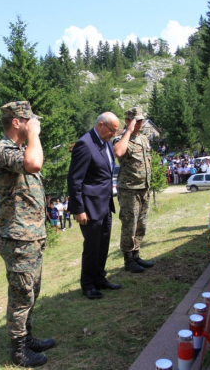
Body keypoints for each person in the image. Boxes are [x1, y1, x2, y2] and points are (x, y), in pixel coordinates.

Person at [0, 101, 54, 367]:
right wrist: (34, 135)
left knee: (31, 290)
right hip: (17, 238)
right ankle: (18, 351)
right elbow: (34, 164)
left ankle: (27, 338)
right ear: (16, 122)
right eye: (29, 120)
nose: (34, 124)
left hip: (30, 236)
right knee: (21, 294)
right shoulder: (3, 150)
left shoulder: (19, 148)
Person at [67, 112, 122, 300]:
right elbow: (75, 180)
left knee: (103, 244)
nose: (113, 135)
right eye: (112, 130)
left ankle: (99, 278)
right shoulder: (84, 144)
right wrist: (78, 209)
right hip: (89, 206)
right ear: (100, 125)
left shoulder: (105, 141)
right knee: (92, 246)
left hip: (105, 203)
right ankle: (88, 285)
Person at [113, 107, 155, 274]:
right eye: (137, 120)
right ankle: (128, 259)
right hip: (129, 190)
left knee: (141, 224)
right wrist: (127, 132)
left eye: (141, 120)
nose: (140, 123)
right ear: (128, 121)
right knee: (129, 225)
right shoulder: (122, 139)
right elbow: (118, 152)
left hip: (144, 188)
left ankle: (136, 254)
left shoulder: (144, 139)